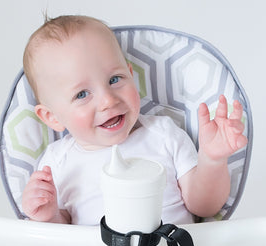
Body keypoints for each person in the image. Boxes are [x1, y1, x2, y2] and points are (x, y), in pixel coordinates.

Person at [21, 15, 247, 226]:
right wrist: (49, 216)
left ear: (131, 74)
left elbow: (204, 207)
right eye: (82, 94)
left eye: (115, 79)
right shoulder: (57, 162)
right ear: (52, 117)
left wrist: (212, 160)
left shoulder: (163, 134)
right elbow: (62, 238)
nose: (108, 100)